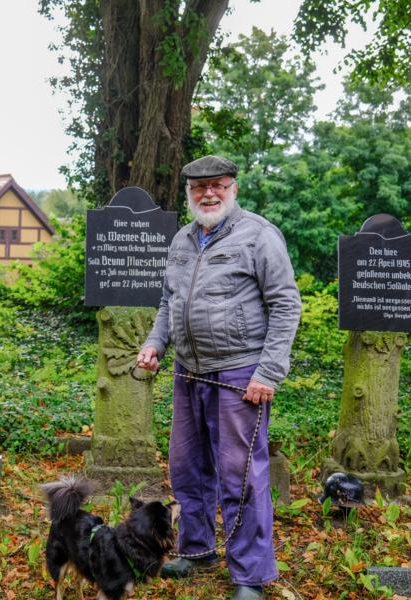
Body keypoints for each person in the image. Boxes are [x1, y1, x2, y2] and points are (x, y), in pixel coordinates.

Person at [136, 155, 301, 600]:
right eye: (199, 188)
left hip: (241, 373)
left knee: (241, 475)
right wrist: (155, 343)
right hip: (188, 372)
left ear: (233, 188)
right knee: (188, 468)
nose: (208, 194)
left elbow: (286, 305)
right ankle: (197, 549)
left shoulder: (259, 236)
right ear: (188, 193)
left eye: (218, 186)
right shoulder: (182, 241)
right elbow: (170, 303)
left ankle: (250, 576)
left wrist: (268, 372)